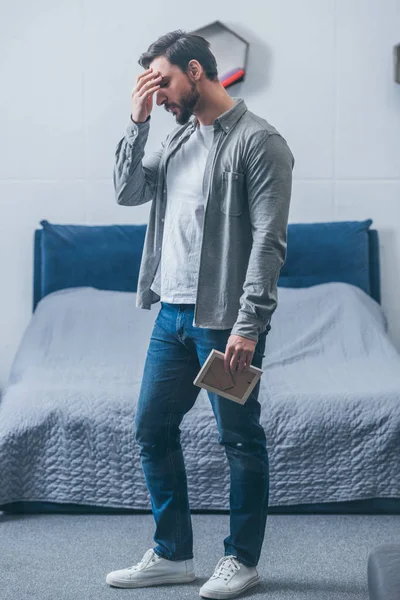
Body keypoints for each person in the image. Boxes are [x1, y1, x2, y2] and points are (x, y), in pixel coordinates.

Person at [107, 29, 294, 600]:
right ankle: (172, 554)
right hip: (173, 316)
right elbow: (127, 191)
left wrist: (248, 323)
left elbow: (269, 242)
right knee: (151, 428)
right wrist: (137, 121)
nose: (157, 94)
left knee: (239, 439)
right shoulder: (177, 136)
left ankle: (242, 560)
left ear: (195, 70)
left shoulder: (260, 142)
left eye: (161, 83)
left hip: (224, 321)